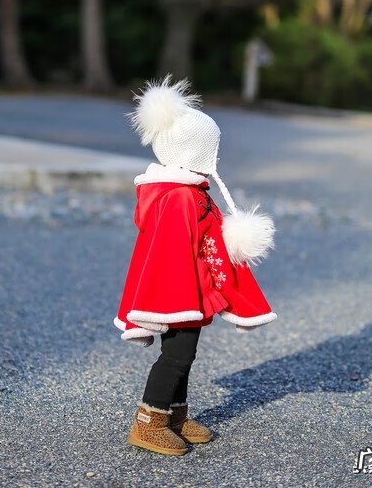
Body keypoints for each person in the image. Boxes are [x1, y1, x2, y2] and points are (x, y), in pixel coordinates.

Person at [114, 75, 277, 456]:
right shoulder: (180, 198)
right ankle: (149, 422)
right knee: (177, 355)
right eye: (211, 151)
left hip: (195, 290)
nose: (215, 158)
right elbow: (171, 255)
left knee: (184, 354)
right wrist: (186, 294)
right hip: (179, 293)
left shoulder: (190, 191)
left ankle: (175, 415)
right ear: (193, 152)